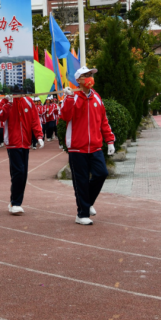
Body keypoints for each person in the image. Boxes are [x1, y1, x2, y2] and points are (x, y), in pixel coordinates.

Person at [61, 66, 115, 226]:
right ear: (78, 80)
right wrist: (69, 98)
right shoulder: (73, 96)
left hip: (95, 147)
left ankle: (87, 202)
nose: (90, 77)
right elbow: (65, 116)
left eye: (91, 75)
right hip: (77, 147)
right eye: (86, 75)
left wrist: (110, 140)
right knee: (81, 181)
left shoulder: (97, 97)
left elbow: (103, 121)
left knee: (101, 173)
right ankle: (82, 214)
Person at [0, 95, 44, 215]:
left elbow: (35, 119)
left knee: (22, 174)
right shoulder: (5, 100)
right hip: (13, 142)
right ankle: (16, 203)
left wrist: (39, 135)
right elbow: (1, 116)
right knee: (19, 172)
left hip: (25, 142)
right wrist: (9, 103)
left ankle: (14, 201)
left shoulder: (28, 101)